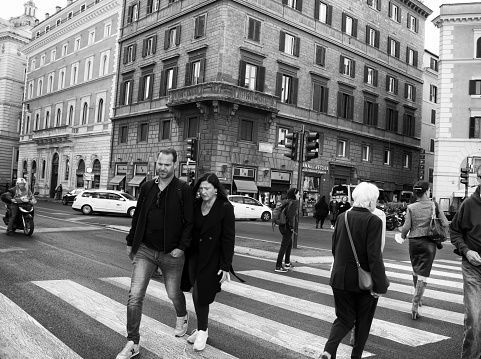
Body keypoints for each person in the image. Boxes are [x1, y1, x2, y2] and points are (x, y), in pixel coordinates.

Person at [116, 148, 194, 359]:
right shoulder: (147, 187)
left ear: (174, 165)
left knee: (173, 293)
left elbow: (190, 222)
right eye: (159, 163)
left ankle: (182, 315)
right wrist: (131, 242)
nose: (162, 168)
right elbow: (138, 216)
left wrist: (182, 248)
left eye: (167, 164)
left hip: (172, 253)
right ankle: (133, 342)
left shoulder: (183, 189)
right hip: (146, 250)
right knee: (135, 296)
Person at [319, 182, 389, 359]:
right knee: (363, 322)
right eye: (376, 199)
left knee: (343, 319)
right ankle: (355, 356)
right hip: (362, 281)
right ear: (371, 201)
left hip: (340, 278)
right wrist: (380, 285)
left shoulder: (342, 217)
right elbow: (374, 257)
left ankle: (328, 351)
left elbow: (334, 248)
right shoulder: (374, 220)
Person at [181, 173, 235, 351]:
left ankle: (203, 331)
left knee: (200, 294)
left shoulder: (225, 208)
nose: (203, 192)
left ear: (216, 189)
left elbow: (228, 238)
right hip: (193, 257)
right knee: (196, 293)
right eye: (201, 188)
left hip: (212, 259)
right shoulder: (196, 205)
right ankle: (202, 327)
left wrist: (226, 265)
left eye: (207, 188)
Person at [400, 181, 448, 320]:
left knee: (416, 269)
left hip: (414, 242)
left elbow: (406, 227)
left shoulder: (411, 207)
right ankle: (415, 304)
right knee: (423, 274)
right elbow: (445, 223)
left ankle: (418, 297)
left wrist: (403, 236)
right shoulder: (434, 205)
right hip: (429, 243)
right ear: (427, 191)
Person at [450, 165, 481, 359]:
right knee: (474, 317)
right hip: (473, 268)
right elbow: (454, 231)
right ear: (479, 178)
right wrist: (466, 251)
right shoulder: (469, 204)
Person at [275, 188, 299, 272]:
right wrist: (292, 227)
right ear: (294, 194)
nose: (299, 195)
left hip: (282, 225)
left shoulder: (287, 201)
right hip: (287, 227)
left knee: (289, 244)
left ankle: (287, 263)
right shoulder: (294, 203)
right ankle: (278, 266)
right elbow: (290, 216)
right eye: (298, 194)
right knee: (284, 246)